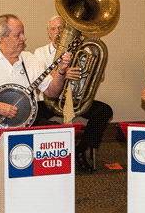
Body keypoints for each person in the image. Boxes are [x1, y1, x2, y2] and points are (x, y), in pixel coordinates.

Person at [0, 14, 72, 213]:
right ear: (3, 37)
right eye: (19, 34)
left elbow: (52, 92)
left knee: (52, 130)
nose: (24, 38)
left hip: (26, 119)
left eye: (23, 33)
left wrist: (61, 72)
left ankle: (47, 189)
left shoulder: (30, 60)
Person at [33, 16, 113, 172]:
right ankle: (48, 154)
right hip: (52, 101)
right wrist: (62, 74)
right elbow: (39, 78)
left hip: (77, 101)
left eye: (62, 28)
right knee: (32, 113)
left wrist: (96, 50)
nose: (58, 32)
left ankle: (80, 150)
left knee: (105, 111)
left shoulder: (85, 50)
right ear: (49, 33)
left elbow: (99, 76)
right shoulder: (40, 53)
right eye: (53, 29)